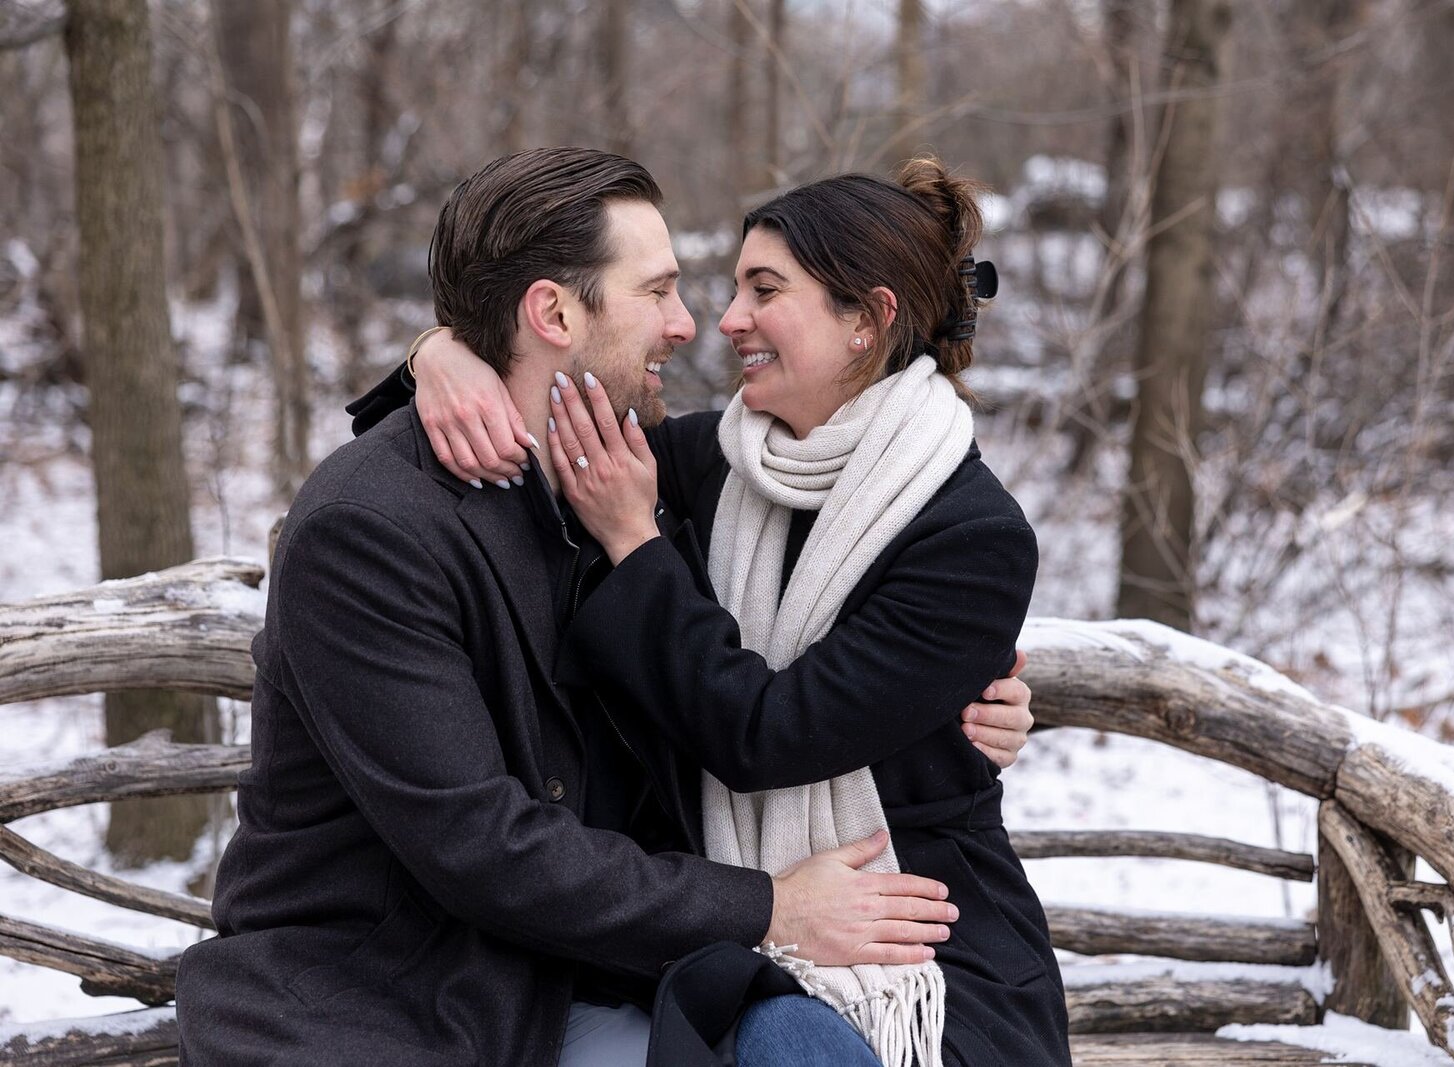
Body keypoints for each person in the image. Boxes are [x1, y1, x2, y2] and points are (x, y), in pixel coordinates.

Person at [177, 147, 1034, 1067]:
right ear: (552, 312)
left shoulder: (647, 481)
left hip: (687, 968)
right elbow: (482, 842)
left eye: (754, 289)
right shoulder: (385, 527)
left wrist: (976, 709)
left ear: (869, 321)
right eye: (661, 291)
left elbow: (775, 704)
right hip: (397, 996)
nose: (697, 322)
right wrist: (436, 353)